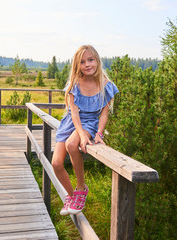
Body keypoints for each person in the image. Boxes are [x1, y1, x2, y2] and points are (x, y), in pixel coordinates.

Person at [52, 45, 119, 215]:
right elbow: (74, 113)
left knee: (72, 144)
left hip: (90, 122)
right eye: (82, 62)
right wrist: (81, 134)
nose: (87, 64)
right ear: (77, 65)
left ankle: (81, 187)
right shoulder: (74, 84)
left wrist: (98, 134)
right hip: (71, 122)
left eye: (90, 60)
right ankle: (72, 196)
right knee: (56, 163)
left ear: (97, 60)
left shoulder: (106, 85)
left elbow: (104, 115)